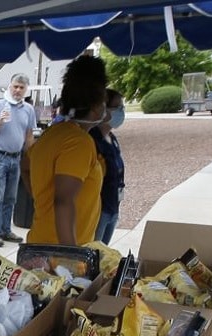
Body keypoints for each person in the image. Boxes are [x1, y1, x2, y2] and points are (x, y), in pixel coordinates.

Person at [23, 55, 108, 246]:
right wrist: (70, 258)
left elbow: (25, 166)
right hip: (57, 255)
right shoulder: (79, 142)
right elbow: (63, 201)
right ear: (96, 106)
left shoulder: (51, 134)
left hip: (42, 244)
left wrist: (41, 200)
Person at [0, 73, 37, 246]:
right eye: (15, 86)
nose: (18, 90)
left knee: (10, 197)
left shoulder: (28, 109)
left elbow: (29, 135)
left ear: (26, 90)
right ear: (9, 86)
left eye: (21, 87)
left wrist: (31, 157)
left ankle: (5, 230)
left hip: (16, 158)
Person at [90, 89, 126, 244]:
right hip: (100, 208)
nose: (121, 112)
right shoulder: (93, 140)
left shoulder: (112, 138)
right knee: (94, 252)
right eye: (118, 107)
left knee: (104, 253)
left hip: (113, 206)